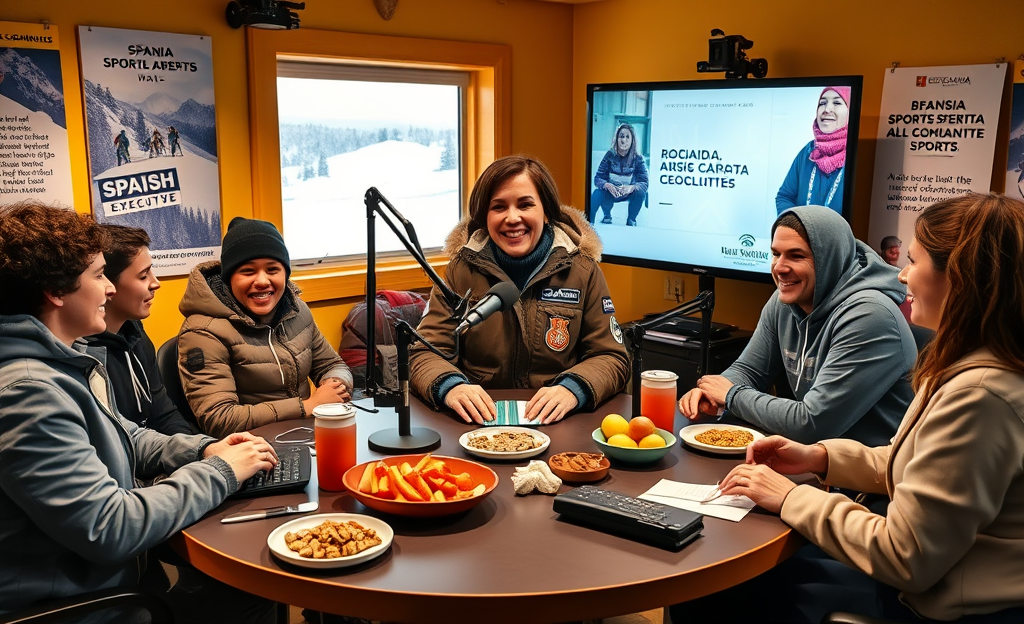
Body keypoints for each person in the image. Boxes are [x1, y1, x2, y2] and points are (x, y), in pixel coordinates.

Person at [672, 193, 1024, 624]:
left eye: (913, 262)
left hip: (930, 605)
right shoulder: (970, 365)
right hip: (927, 577)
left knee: (716, 591)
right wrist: (821, 457)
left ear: (961, 279)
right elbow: (911, 463)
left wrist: (791, 496)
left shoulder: (980, 395)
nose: (902, 275)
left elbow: (906, 556)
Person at [0, 202, 278, 622]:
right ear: (56, 293)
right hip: (86, 608)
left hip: (116, 583)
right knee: (251, 590)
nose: (110, 289)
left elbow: (126, 434)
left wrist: (205, 449)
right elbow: (111, 528)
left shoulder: (62, 360)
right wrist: (220, 471)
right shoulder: (28, 393)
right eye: (97, 276)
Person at [410, 155, 630, 424]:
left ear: (546, 211)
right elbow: (424, 353)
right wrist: (451, 386)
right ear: (485, 216)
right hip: (479, 423)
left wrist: (572, 389)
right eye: (498, 207)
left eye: (525, 205)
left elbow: (612, 356)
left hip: (558, 422)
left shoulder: (582, 270)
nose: (512, 218)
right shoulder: (460, 271)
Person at [679, 205, 916, 447]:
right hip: (813, 463)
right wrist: (712, 393)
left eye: (796, 256)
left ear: (829, 260)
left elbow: (812, 424)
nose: (779, 267)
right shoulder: (786, 300)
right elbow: (750, 371)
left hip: (870, 478)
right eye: (776, 254)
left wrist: (731, 395)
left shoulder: (871, 315)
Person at [178, 216, 353, 438]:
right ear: (229, 277)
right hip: (249, 450)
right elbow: (219, 418)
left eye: (272, 270)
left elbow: (332, 364)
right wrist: (307, 406)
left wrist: (335, 385)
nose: (262, 281)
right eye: (248, 271)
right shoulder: (203, 332)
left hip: (303, 436)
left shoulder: (296, 311)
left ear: (285, 274)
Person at [83, 224, 195, 435]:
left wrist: (200, 451)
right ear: (106, 284)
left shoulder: (136, 336)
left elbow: (164, 415)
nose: (156, 283)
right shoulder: (82, 354)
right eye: (143, 276)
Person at [776, 86, 850, 214]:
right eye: (822, 103)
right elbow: (785, 196)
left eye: (837, 103)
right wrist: (794, 228)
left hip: (838, 235)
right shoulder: (808, 151)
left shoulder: (856, 155)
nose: (827, 109)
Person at [590, 123, 649, 226]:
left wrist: (632, 187)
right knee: (598, 192)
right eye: (621, 136)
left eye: (627, 137)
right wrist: (606, 185)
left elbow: (644, 183)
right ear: (616, 138)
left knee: (641, 194)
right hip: (611, 193)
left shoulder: (638, 158)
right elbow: (598, 178)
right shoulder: (610, 155)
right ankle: (591, 221)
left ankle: (631, 220)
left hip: (628, 193)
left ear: (632, 140)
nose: (624, 140)